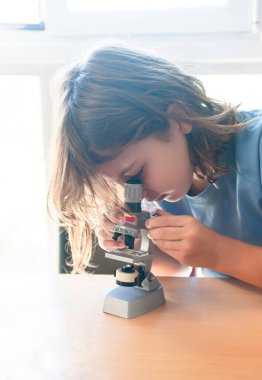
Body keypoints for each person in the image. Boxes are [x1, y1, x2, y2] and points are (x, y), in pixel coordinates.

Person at [48, 43, 262, 288]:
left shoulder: (256, 148)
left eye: (136, 174)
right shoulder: (174, 178)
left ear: (178, 118)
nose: (139, 193)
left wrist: (219, 253)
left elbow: (218, 258)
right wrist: (142, 244)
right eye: (122, 183)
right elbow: (177, 269)